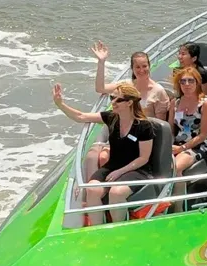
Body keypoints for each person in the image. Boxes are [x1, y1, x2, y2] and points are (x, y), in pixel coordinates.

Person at [53, 82, 154, 225]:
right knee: (92, 190)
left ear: (129, 103)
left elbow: (143, 158)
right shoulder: (112, 118)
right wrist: (60, 104)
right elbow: (81, 116)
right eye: (112, 98)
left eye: (118, 100)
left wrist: (120, 172)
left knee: (116, 193)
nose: (113, 102)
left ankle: (118, 228)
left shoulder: (143, 126)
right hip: (113, 166)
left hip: (137, 169)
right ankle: (97, 228)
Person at [92, 41, 169, 121]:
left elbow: (160, 123)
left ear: (149, 66)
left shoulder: (159, 91)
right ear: (132, 68)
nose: (141, 70)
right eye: (138, 67)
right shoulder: (126, 85)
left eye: (144, 66)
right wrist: (101, 62)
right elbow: (100, 88)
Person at [168, 66, 207, 174]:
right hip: (177, 143)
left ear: (197, 83)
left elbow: (203, 135)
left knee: (174, 168)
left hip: (198, 146)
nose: (187, 84)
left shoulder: (205, 104)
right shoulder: (175, 103)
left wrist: (182, 148)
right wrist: (169, 146)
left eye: (191, 81)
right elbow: (170, 130)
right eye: (183, 81)